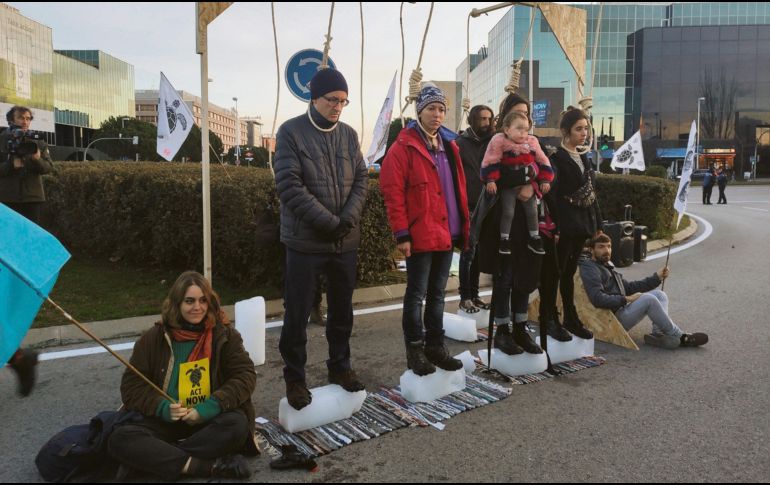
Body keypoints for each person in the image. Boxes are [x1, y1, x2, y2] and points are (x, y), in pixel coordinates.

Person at [274, 68, 369, 409]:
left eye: (343, 101)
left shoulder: (348, 134)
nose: (338, 107)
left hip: (345, 241)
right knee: (297, 314)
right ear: (313, 97)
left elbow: (361, 178)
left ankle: (340, 367)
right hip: (305, 242)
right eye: (332, 100)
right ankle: (295, 379)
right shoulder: (290, 132)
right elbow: (289, 185)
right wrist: (328, 222)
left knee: (342, 311)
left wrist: (347, 218)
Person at [107, 272, 257, 480]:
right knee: (120, 438)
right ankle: (204, 466)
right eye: (189, 301)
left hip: (208, 419)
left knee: (237, 425)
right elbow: (131, 388)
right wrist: (162, 408)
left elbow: (245, 376)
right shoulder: (153, 339)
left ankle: (155, 459)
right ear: (177, 303)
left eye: (203, 300)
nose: (198, 307)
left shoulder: (224, 335)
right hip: (166, 420)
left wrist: (208, 407)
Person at [381, 83, 469, 375]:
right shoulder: (403, 147)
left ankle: (436, 346)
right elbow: (393, 193)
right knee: (416, 294)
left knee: (439, 294)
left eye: (441, 109)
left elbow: (457, 189)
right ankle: (415, 350)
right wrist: (401, 233)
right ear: (419, 111)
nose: (437, 114)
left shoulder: (449, 145)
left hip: (446, 232)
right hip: (419, 234)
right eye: (431, 108)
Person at [470, 93, 543, 356]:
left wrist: (533, 183)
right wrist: (521, 179)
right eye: (518, 113)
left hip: (526, 221)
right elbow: (491, 174)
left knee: (524, 274)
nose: (524, 119)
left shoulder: (532, 141)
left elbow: (543, 169)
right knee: (504, 276)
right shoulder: (495, 142)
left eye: (527, 113)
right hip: (501, 217)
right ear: (506, 119)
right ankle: (502, 329)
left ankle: (521, 327)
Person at [1, 105, 54, 397]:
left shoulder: (38, 141)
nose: (25, 122)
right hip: (7, 203)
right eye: (20, 118)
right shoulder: (2, 141)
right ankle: (18, 357)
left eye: (28, 118)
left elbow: (48, 167)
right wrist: (13, 166)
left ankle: (18, 357)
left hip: (32, 200)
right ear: (10, 121)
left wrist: (33, 159)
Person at [579, 234, 708, 349]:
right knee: (648, 299)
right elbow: (597, 298)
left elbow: (629, 288)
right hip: (612, 321)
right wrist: (626, 299)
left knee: (660, 295)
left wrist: (656, 278)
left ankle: (658, 334)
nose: (606, 250)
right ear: (592, 250)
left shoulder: (606, 266)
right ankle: (681, 337)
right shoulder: (590, 268)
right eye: (601, 247)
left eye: (609, 246)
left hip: (621, 310)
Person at [547, 107, 601, 340]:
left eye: (586, 129)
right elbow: (552, 196)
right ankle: (550, 318)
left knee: (568, 273)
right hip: (563, 227)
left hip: (581, 226)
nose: (584, 133)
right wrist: (556, 227)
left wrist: (598, 223)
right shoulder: (556, 158)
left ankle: (570, 318)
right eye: (578, 129)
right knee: (554, 273)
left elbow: (591, 194)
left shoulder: (584, 157)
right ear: (565, 131)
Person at [480, 111, 553, 256]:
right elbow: (490, 160)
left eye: (526, 129)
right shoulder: (499, 141)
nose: (523, 133)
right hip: (509, 187)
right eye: (519, 129)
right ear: (507, 129)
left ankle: (534, 237)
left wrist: (545, 179)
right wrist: (491, 179)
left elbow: (543, 160)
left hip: (528, 184)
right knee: (508, 212)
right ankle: (504, 239)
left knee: (532, 212)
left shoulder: (532, 142)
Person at [457, 105, 494, 314]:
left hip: (489, 204)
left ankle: (475, 294)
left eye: (489, 119)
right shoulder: (460, 143)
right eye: (482, 119)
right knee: (468, 253)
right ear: (473, 120)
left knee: (479, 253)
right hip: (469, 205)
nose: (486, 123)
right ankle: (464, 297)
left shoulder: (492, 141)